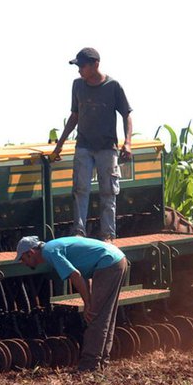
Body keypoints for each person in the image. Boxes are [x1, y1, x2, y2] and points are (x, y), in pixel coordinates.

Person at [51, 47, 133, 241]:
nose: (79, 70)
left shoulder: (113, 87)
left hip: (107, 147)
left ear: (95, 65)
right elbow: (74, 116)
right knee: (80, 189)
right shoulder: (77, 86)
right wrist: (59, 145)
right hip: (84, 147)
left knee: (108, 191)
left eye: (82, 66)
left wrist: (127, 143)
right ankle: (79, 231)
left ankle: (108, 235)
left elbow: (126, 115)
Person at [16, 235, 128, 372]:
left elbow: (75, 275)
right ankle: (101, 362)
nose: (23, 263)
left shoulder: (50, 253)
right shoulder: (52, 247)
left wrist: (88, 303)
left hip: (108, 264)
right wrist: (89, 298)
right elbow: (83, 273)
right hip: (116, 259)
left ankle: (89, 365)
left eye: (23, 259)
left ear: (30, 253)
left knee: (96, 317)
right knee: (105, 316)